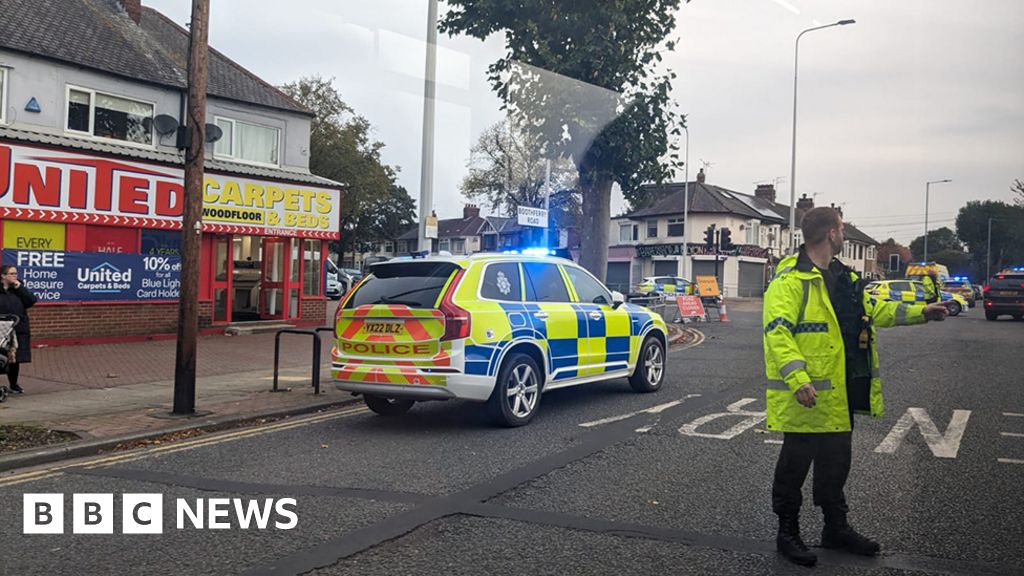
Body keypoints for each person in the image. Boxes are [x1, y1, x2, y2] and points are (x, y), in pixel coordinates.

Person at [763, 207, 952, 567]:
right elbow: (778, 333)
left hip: (841, 393)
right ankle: (787, 533)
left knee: (836, 465)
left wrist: (921, 313)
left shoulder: (844, 279)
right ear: (831, 234)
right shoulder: (790, 282)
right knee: (794, 468)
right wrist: (798, 378)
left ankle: (835, 529)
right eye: (841, 227)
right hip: (806, 396)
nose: (845, 232)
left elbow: (875, 309)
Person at [0, 264, 38, 394]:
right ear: (3, 276)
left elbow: (31, 301)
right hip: (2, 328)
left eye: (15, 273)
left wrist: (19, 288)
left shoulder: (19, 288)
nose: (14, 276)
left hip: (17, 327)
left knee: (14, 357)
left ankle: (13, 384)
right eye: (11, 274)